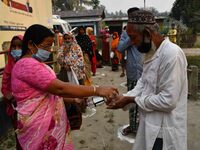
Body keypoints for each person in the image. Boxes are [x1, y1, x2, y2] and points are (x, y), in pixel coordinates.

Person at [11, 24, 118, 150]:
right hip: (40, 130)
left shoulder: (35, 64)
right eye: (46, 46)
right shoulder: (27, 65)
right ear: (30, 44)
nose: (49, 50)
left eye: (50, 46)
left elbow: (48, 94)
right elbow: (60, 88)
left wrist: (72, 100)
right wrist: (98, 90)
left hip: (50, 126)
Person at [107, 10, 188, 150]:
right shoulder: (151, 52)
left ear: (147, 34)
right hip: (149, 124)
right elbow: (143, 83)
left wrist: (132, 100)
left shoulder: (172, 54)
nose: (132, 43)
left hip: (164, 130)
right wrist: (123, 98)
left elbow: (168, 100)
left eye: (133, 38)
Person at [117, 7, 143, 136]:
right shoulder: (126, 32)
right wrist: (131, 39)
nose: (134, 19)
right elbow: (120, 47)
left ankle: (143, 127)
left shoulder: (145, 30)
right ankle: (133, 127)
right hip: (133, 71)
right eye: (131, 17)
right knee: (132, 100)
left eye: (136, 17)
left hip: (147, 71)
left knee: (146, 101)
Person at [1, 35, 23, 150]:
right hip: (14, 107)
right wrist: (8, 95)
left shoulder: (29, 65)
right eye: (13, 47)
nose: (16, 49)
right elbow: (4, 86)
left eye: (19, 46)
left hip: (29, 107)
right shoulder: (9, 67)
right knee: (18, 133)